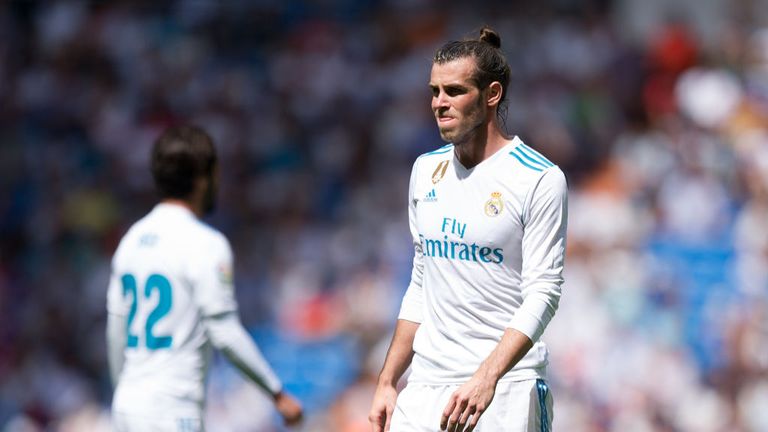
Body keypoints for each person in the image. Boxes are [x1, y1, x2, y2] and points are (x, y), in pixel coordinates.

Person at [369, 27, 568, 432]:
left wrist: (486, 377)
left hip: (504, 390)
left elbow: (544, 292)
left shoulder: (539, 179)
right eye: (435, 91)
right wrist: (389, 380)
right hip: (425, 388)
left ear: (491, 94)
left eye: (455, 91)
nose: (439, 104)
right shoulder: (426, 170)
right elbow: (421, 283)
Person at [106, 125, 303, 431]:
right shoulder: (206, 244)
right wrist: (276, 393)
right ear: (202, 179)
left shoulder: (131, 240)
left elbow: (116, 330)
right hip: (172, 409)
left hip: (128, 406)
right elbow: (224, 331)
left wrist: (124, 390)